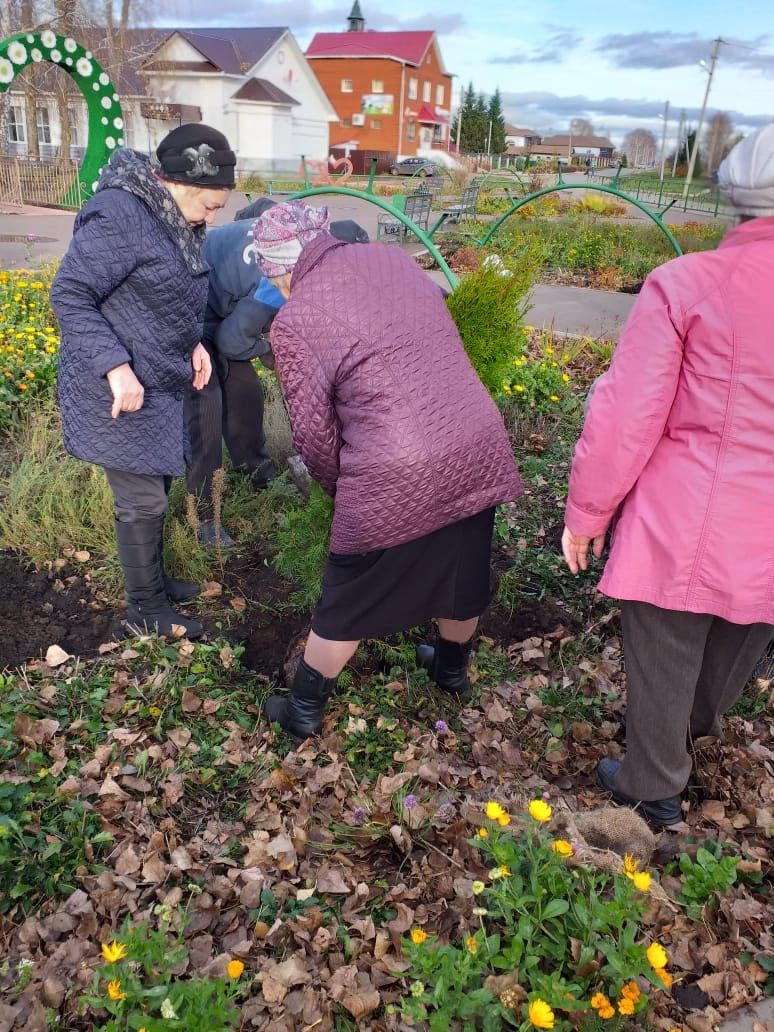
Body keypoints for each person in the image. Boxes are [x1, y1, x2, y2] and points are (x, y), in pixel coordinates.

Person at [245, 201, 523, 740]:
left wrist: (338, 491)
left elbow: (314, 435)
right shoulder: (393, 260)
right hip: (472, 438)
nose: (278, 292)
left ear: (280, 267)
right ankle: (451, 672)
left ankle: (302, 710)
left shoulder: (297, 319)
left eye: (274, 281)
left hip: (396, 466)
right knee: (464, 568)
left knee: (348, 591)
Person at [562, 124, 774, 827]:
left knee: (665, 647)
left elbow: (628, 412)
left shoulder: (688, 285)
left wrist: (588, 512)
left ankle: (653, 793)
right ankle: (682, 742)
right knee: (736, 641)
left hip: (685, 515)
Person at [50, 124, 236, 638]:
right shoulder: (121, 215)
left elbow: (165, 296)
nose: (211, 216)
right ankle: (146, 612)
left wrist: (194, 342)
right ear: (175, 183)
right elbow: (69, 294)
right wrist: (115, 366)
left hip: (157, 375)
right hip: (116, 385)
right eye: (209, 204)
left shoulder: (171, 219)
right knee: (142, 499)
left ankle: (155, 584)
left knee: (158, 481)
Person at [185, 199, 369, 547]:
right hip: (191, 315)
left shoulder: (302, 246)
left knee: (246, 393)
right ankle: (205, 516)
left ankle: (256, 471)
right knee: (206, 402)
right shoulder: (280, 275)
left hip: (226, 304)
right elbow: (232, 342)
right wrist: (270, 349)